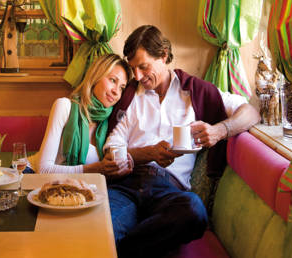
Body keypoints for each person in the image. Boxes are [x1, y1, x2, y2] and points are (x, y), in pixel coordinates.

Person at [104, 25, 260, 257]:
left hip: (169, 192)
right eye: (133, 68)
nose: (137, 76)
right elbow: (112, 149)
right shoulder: (130, 95)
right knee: (101, 227)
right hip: (127, 186)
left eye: (143, 66)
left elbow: (251, 112)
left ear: (163, 55)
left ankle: (125, 248)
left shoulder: (194, 91)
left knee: (194, 211)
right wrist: (148, 153)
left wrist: (219, 130)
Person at [29, 53, 134, 175]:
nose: (116, 91)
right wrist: (97, 169)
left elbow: (102, 172)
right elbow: (43, 170)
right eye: (112, 80)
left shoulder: (110, 123)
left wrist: (119, 169)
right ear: (96, 76)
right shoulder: (65, 106)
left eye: (121, 88)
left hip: (73, 185)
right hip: (29, 175)